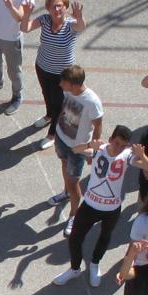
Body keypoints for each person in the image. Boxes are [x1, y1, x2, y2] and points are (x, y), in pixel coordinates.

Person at [54, 126, 135, 288]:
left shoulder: (127, 155)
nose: (118, 148)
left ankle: (94, 264)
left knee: (105, 237)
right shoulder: (100, 149)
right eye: (116, 143)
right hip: (90, 205)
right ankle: (75, 269)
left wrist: (142, 155)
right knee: (75, 238)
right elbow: (75, 149)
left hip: (111, 209)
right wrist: (89, 144)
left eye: (123, 145)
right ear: (110, 139)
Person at [25, 0, 85, 143]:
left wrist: (79, 17)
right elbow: (25, 28)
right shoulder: (45, 20)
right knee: (46, 93)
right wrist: (26, 14)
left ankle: (52, 134)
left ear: (65, 7)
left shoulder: (71, 24)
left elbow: (81, 26)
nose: (56, 9)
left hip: (62, 73)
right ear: (48, 9)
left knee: (58, 103)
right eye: (53, 6)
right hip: (42, 66)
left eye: (59, 6)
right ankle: (48, 115)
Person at [50, 63, 104, 207]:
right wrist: (56, 129)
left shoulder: (92, 102)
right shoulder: (68, 91)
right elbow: (64, 108)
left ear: (73, 85)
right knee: (64, 163)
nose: (60, 84)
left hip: (77, 148)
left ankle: (73, 214)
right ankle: (66, 193)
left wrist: (93, 151)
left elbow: (98, 126)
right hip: (61, 138)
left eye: (63, 82)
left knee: (73, 182)